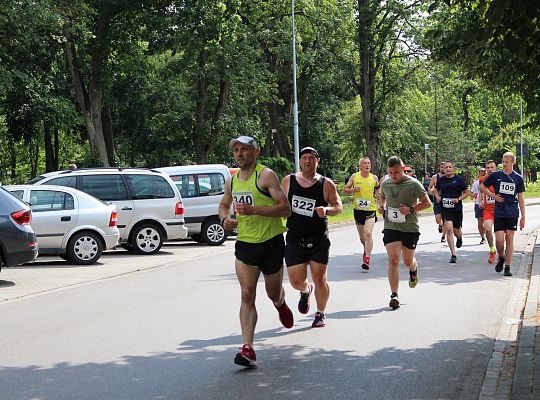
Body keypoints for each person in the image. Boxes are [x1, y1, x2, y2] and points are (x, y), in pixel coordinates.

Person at [219, 135, 293, 368]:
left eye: (244, 150)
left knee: (272, 292)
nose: (239, 154)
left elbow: (286, 209)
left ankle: (280, 302)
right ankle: (248, 348)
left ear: (256, 152)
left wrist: (254, 210)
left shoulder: (266, 176)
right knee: (247, 294)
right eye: (236, 150)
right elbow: (223, 205)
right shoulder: (232, 180)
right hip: (245, 244)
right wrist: (226, 220)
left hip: (271, 242)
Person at [281, 147, 343, 328]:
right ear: (300, 161)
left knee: (320, 277)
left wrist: (327, 210)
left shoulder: (326, 184)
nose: (307, 161)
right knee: (295, 281)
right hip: (294, 238)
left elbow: (338, 206)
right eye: (304, 158)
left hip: (318, 239)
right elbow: (278, 201)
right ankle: (305, 290)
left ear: (318, 161)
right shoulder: (289, 181)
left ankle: (320, 313)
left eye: (311, 158)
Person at [377, 156, 432, 309]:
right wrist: (381, 206)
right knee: (393, 260)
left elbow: (427, 202)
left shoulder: (413, 184)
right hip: (391, 227)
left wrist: (411, 209)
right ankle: (394, 294)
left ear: (402, 169)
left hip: (409, 228)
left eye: (396, 172)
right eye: (390, 172)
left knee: (408, 261)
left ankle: (413, 269)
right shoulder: (386, 183)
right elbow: (381, 197)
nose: (393, 176)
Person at [480, 152, 526, 277]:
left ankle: (508, 266)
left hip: (512, 212)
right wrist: (493, 196)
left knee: (509, 238)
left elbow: (521, 198)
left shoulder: (518, 178)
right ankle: (501, 257)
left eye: (506, 161)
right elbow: (482, 187)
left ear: (512, 163)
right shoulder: (496, 175)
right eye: (503, 161)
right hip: (499, 211)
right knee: (499, 240)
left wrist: (523, 217)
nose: (504, 164)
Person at [344, 157, 380, 270]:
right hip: (358, 210)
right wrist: (353, 190)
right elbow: (345, 190)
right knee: (362, 237)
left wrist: (378, 200)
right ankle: (366, 249)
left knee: (368, 233)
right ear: (360, 166)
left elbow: (378, 188)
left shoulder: (374, 178)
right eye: (364, 163)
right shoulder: (355, 176)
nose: (367, 165)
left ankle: (367, 258)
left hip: (370, 209)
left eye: (369, 163)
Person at [431, 161, 470, 264]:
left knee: (457, 231)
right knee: (449, 229)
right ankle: (453, 254)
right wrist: (438, 197)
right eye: (446, 167)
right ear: (443, 168)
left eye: (449, 167)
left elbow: (466, 192)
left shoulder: (459, 180)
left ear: (453, 168)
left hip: (456, 209)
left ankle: (460, 237)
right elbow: (435, 189)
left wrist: (458, 199)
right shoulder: (441, 180)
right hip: (445, 208)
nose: (448, 169)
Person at [479, 160, 498, 264]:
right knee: (488, 229)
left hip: (500, 210)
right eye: (488, 168)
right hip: (488, 210)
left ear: (495, 168)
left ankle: (500, 251)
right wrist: (480, 201)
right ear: (486, 169)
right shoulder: (483, 179)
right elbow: (481, 191)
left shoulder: (500, 178)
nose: (490, 169)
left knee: (501, 235)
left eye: (492, 167)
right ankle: (492, 250)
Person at [428, 162, 447, 242]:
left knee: (446, 219)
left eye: (444, 167)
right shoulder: (435, 177)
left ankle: (443, 236)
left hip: (446, 200)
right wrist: (432, 193)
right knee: (438, 220)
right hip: (437, 200)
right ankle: (440, 224)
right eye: (441, 167)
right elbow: (430, 187)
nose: (443, 168)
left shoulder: (449, 177)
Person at [470, 167, 487, 244]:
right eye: (481, 171)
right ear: (479, 173)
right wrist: (475, 195)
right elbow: (471, 194)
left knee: (487, 222)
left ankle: (487, 235)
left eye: (484, 171)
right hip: (478, 204)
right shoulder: (476, 183)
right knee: (480, 223)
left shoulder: (490, 181)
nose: (483, 173)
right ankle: (483, 237)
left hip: (488, 205)